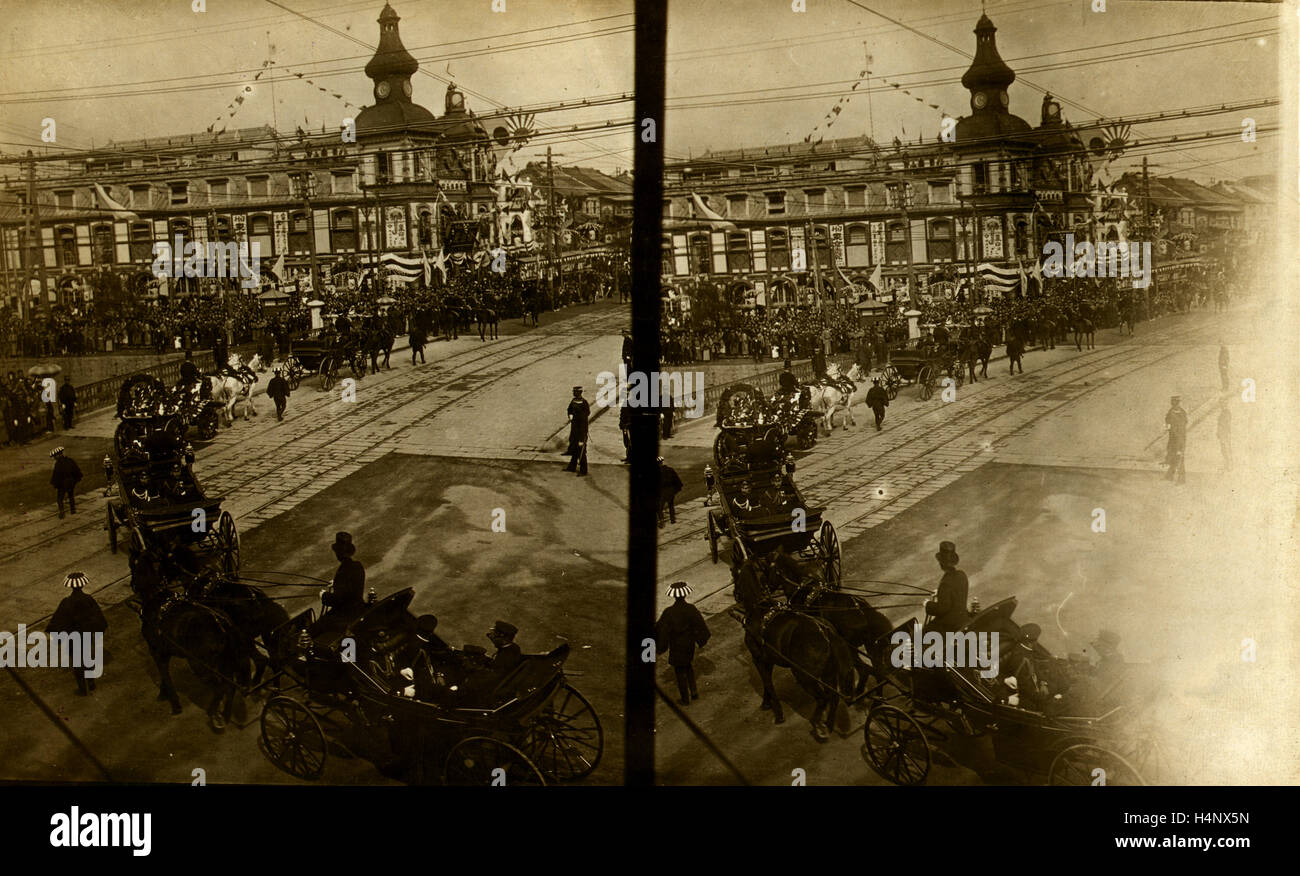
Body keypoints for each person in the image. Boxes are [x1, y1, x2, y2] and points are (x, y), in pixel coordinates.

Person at [46, 572, 108, 696]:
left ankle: (82, 688)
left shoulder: (66, 602)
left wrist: (58, 637)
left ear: (70, 587)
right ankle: (91, 683)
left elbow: (59, 620)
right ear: (82, 585)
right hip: (86, 634)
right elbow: (97, 616)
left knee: (77, 662)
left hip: (72, 637)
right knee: (87, 658)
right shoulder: (88, 599)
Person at [655, 582, 711, 705]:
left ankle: (685, 699)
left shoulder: (669, 612)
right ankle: (694, 692)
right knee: (688, 665)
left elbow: (661, 629)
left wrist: (660, 647)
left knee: (679, 671)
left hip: (676, 645)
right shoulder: (691, 608)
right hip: (689, 644)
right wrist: (700, 641)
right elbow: (700, 625)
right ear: (685, 595)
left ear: (673, 596)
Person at [924, 541, 969, 635]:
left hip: (950, 625)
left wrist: (927, 604)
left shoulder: (946, 583)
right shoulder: (962, 575)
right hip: (963, 619)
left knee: (920, 635)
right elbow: (955, 592)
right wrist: (940, 592)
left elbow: (942, 608)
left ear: (941, 564)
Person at [321, 531, 366, 615]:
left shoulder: (343, 571)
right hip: (359, 609)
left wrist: (323, 595)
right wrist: (336, 583)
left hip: (346, 614)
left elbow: (338, 599)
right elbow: (351, 587)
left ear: (337, 553)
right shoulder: (357, 566)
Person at [50, 447, 82, 519]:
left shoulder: (58, 464)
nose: (54, 458)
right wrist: (75, 480)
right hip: (71, 482)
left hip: (63, 484)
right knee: (71, 496)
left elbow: (56, 476)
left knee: (59, 498)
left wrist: (55, 485)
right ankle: (73, 510)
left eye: (55, 456)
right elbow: (76, 470)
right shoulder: (69, 460)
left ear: (58, 455)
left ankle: (62, 513)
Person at [564, 385, 590, 476]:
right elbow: (569, 409)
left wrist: (582, 438)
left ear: (579, 393)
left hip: (581, 431)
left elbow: (584, 422)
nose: (573, 393)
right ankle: (572, 467)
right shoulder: (573, 401)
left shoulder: (584, 403)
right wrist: (570, 414)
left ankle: (583, 470)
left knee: (581, 451)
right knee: (574, 449)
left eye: (574, 392)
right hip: (574, 429)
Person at [1164, 395, 1187, 484]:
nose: (1174, 404)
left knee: (1180, 457)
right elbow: (1167, 421)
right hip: (1172, 438)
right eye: (1173, 402)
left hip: (1180, 438)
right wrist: (1167, 427)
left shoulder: (1182, 413)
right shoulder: (1170, 412)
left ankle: (1181, 479)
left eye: (1176, 402)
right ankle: (1170, 475)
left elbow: (1183, 425)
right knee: (1172, 456)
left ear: (1178, 403)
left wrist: (1174, 429)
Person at [658, 456, 683, 528]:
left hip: (662, 492)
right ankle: (672, 520)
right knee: (671, 506)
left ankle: (661, 521)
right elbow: (677, 480)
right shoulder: (670, 470)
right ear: (662, 462)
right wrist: (675, 490)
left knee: (660, 507)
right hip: (670, 492)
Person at [1217, 400, 1232, 471]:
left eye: (1222, 404)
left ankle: (1228, 465)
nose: (1221, 406)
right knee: (1224, 449)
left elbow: (1226, 424)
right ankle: (1227, 465)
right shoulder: (1224, 412)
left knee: (1226, 449)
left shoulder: (1226, 413)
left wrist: (1223, 432)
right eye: (1221, 404)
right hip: (1223, 433)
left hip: (1225, 433)